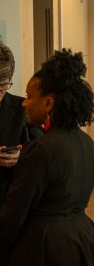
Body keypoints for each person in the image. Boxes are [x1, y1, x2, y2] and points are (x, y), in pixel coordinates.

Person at [0, 49, 94, 265]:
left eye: (30, 97)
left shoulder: (40, 150)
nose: (24, 103)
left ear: (48, 103)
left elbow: (15, 214)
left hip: (46, 246)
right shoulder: (88, 144)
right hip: (84, 239)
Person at [0, 41, 42, 204]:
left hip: (13, 198)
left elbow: (40, 149)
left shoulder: (23, 108)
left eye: (3, 85)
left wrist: (22, 156)